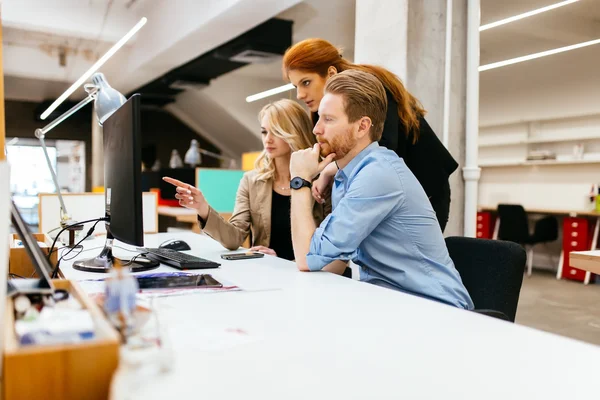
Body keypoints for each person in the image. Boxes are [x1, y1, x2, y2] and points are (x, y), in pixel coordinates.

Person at [289, 70, 473, 309]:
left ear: (362, 126)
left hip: (435, 308)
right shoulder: (350, 175)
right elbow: (329, 258)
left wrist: (300, 180)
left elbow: (307, 258)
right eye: (319, 118)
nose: (316, 130)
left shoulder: (377, 175)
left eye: (329, 120)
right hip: (388, 301)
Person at [283, 38, 458, 232]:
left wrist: (329, 169)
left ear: (331, 73)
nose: (299, 94)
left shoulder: (368, 89)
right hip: (389, 189)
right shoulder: (325, 107)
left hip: (426, 187)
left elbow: (383, 147)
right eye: (295, 86)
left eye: (306, 82)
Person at [164, 99, 328, 261]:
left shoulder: (323, 180)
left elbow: (329, 248)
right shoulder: (252, 181)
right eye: (264, 131)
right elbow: (234, 238)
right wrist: (203, 208)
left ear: (295, 133)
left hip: (312, 277)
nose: (267, 139)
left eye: (276, 132)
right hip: (267, 274)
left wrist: (283, 262)